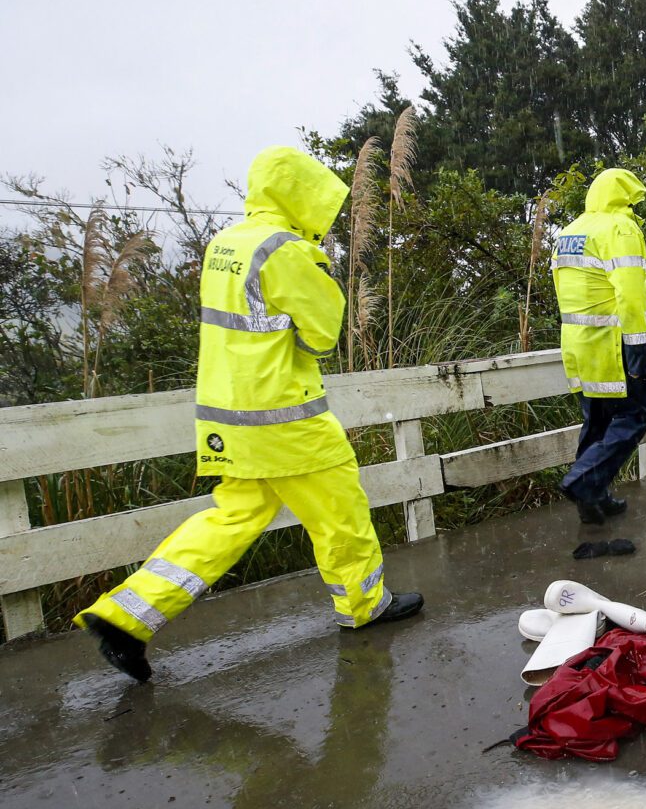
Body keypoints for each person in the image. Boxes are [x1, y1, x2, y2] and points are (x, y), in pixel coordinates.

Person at [75, 146, 423, 683]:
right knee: (341, 512)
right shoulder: (286, 251)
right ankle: (364, 606)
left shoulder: (224, 245)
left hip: (226, 418)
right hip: (285, 417)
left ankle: (123, 615)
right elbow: (323, 334)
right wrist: (321, 275)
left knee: (230, 518)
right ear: (301, 193)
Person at [552, 168, 646, 525]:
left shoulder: (568, 232)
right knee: (637, 415)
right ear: (624, 198)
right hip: (611, 344)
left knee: (595, 423)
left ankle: (593, 502)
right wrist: (637, 346)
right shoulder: (620, 228)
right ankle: (583, 481)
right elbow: (630, 295)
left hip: (575, 344)